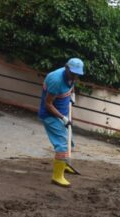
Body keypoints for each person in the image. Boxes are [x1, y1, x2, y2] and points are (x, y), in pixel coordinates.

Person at [38, 58, 84, 187]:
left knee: (70, 142)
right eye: (73, 73)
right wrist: (63, 119)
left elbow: (71, 85)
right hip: (51, 115)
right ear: (66, 67)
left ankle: (64, 164)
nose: (75, 77)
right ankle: (57, 177)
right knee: (62, 145)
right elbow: (48, 104)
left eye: (78, 74)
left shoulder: (73, 77)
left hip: (63, 113)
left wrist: (72, 97)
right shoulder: (56, 80)